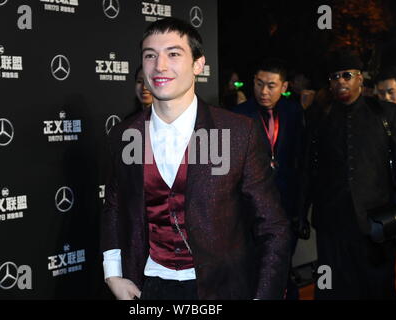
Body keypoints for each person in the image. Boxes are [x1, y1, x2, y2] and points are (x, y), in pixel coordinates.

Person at [100, 17, 291, 300]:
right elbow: (114, 206)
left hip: (222, 287)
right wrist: (113, 273)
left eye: (173, 54)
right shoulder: (125, 134)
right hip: (147, 285)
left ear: (198, 65)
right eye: (150, 56)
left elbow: (273, 226)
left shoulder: (237, 132)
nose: (160, 66)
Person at [301, 49, 396, 299]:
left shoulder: (386, 114)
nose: (341, 81)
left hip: (378, 224)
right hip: (333, 227)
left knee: (378, 289)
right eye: (335, 77)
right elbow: (307, 170)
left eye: (347, 75)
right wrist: (301, 213)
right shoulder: (319, 118)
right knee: (332, 290)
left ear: (360, 79)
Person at [233, 58, 307, 300]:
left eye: (272, 85)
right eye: (259, 83)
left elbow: (302, 161)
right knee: (255, 271)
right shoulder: (238, 116)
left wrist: (300, 209)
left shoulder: (295, 113)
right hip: (251, 211)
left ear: (284, 86)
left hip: (286, 207)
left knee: (282, 268)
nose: (264, 91)